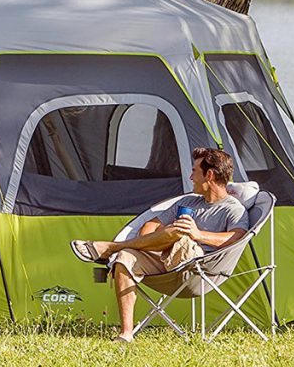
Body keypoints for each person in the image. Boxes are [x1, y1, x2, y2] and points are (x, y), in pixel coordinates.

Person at [71, 147, 249, 342]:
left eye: (194, 172)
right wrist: (160, 238)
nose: (190, 177)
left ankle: (112, 247)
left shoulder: (233, 209)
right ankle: (126, 334)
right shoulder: (189, 202)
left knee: (180, 232)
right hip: (165, 262)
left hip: (198, 270)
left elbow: (236, 238)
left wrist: (196, 234)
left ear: (209, 175)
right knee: (126, 258)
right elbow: (149, 226)